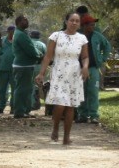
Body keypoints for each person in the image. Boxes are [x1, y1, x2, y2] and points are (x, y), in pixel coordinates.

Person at [35, 12, 89, 145]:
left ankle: (66, 136)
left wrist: (85, 67)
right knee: (60, 104)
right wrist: (41, 73)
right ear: (66, 21)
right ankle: (55, 129)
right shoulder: (56, 36)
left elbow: (84, 57)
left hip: (74, 73)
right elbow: (48, 56)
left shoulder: (82, 38)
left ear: (79, 23)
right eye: (72, 20)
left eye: (77, 21)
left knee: (70, 106)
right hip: (59, 72)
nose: (74, 23)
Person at [79, 13, 111, 123]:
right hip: (79, 68)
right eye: (90, 25)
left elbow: (107, 46)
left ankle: (93, 115)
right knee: (81, 91)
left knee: (93, 91)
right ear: (84, 25)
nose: (93, 27)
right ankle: (82, 115)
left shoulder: (97, 36)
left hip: (93, 68)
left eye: (93, 25)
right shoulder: (78, 36)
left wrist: (103, 59)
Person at [10, 15, 41, 118]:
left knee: (26, 89)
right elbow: (30, 49)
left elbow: (31, 47)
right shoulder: (20, 35)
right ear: (18, 22)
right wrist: (40, 55)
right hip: (23, 66)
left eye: (27, 19)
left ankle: (24, 110)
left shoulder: (22, 33)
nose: (27, 21)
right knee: (21, 89)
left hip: (26, 65)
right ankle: (19, 111)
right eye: (24, 20)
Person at [0, 24, 15, 114]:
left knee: (14, 89)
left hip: (14, 69)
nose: (12, 34)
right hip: (2, 68)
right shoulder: (2, 40)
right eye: (10, 32)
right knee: (2, 89)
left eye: (13, 32)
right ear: (8, 32)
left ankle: (13, 107)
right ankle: (0, 107)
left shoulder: (17, 41)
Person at [30, 29, 48, 112]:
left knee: (29, 85)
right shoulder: (42, 45)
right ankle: (37, 103)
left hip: (29, 66)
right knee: (38, 85)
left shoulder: (29, 43)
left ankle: (30, 103)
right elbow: (46, 56)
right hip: (39, 67)